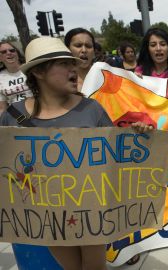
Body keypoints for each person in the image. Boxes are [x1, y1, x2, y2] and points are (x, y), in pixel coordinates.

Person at [0, 36, 112, 270]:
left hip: (90, 209)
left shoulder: (91, 109)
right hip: (46, 215)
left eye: (72, 63)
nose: (74, 68)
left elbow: (116, 154)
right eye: (63, 63)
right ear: (39, 72)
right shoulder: (12, 115)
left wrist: (140, 135)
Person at [0, 41, 33, 114]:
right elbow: (2, 108)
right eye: (3, 52)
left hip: (38, 111)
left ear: (17, 53)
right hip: (18, 117)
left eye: (12, 50)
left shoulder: (30, 69)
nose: (9, 53)